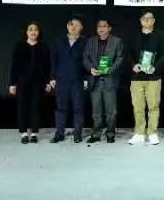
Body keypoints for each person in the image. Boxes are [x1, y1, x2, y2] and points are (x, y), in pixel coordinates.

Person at [129, 9, 164, 146]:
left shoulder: (161, 36)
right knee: (138, 107)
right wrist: (133, 65)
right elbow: (128, 53)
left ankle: (152, 133)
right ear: (141, 21)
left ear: (153, 20)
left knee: (153, 106)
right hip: (137, 77)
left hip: (154, 77)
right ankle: (139, 133)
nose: (147, 20)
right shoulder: (134, 35)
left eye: (150, 18)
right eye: (144, 18)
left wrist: (155, 67)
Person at [83, 18, 125, 144]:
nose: (101, 28)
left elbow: (120, 58)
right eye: (99, 26)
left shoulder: (117, 41)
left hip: (109, 80)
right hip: (95, 80)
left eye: (104, 26)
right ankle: (96, 134)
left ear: (109, 28)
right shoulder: (90, 41)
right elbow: (85, 57)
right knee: (96, 111)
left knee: (111, 111)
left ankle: (110, 134)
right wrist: (91, 69)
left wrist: (109, 70)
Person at [8, 21, 50, 144]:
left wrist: (47, 82)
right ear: (26, 32)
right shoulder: (19, 46)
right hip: (22, 82)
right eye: (30, 29)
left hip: (38, 82)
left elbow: (47, 66)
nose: (33, 32)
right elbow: (14, 66)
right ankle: (24, 133)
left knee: (35, 107)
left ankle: (34, 133)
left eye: (35, 29)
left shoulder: (43, 47)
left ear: (39, 32)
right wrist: (12, 84)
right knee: (22, 106)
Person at [49, 15, 88, 143]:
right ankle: (59, 134)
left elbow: (88, 61)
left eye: (77, 25)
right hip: (62, 80)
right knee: (61, 108)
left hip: (78, 80)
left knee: (78, 108)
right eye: (71, 24)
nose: (73, 27)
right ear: (67, 26)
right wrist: (52, 77)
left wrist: (86, 78)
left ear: (81, 27)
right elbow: (54, 60)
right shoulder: (59, 41)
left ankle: (77, 134)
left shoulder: (85, 42)